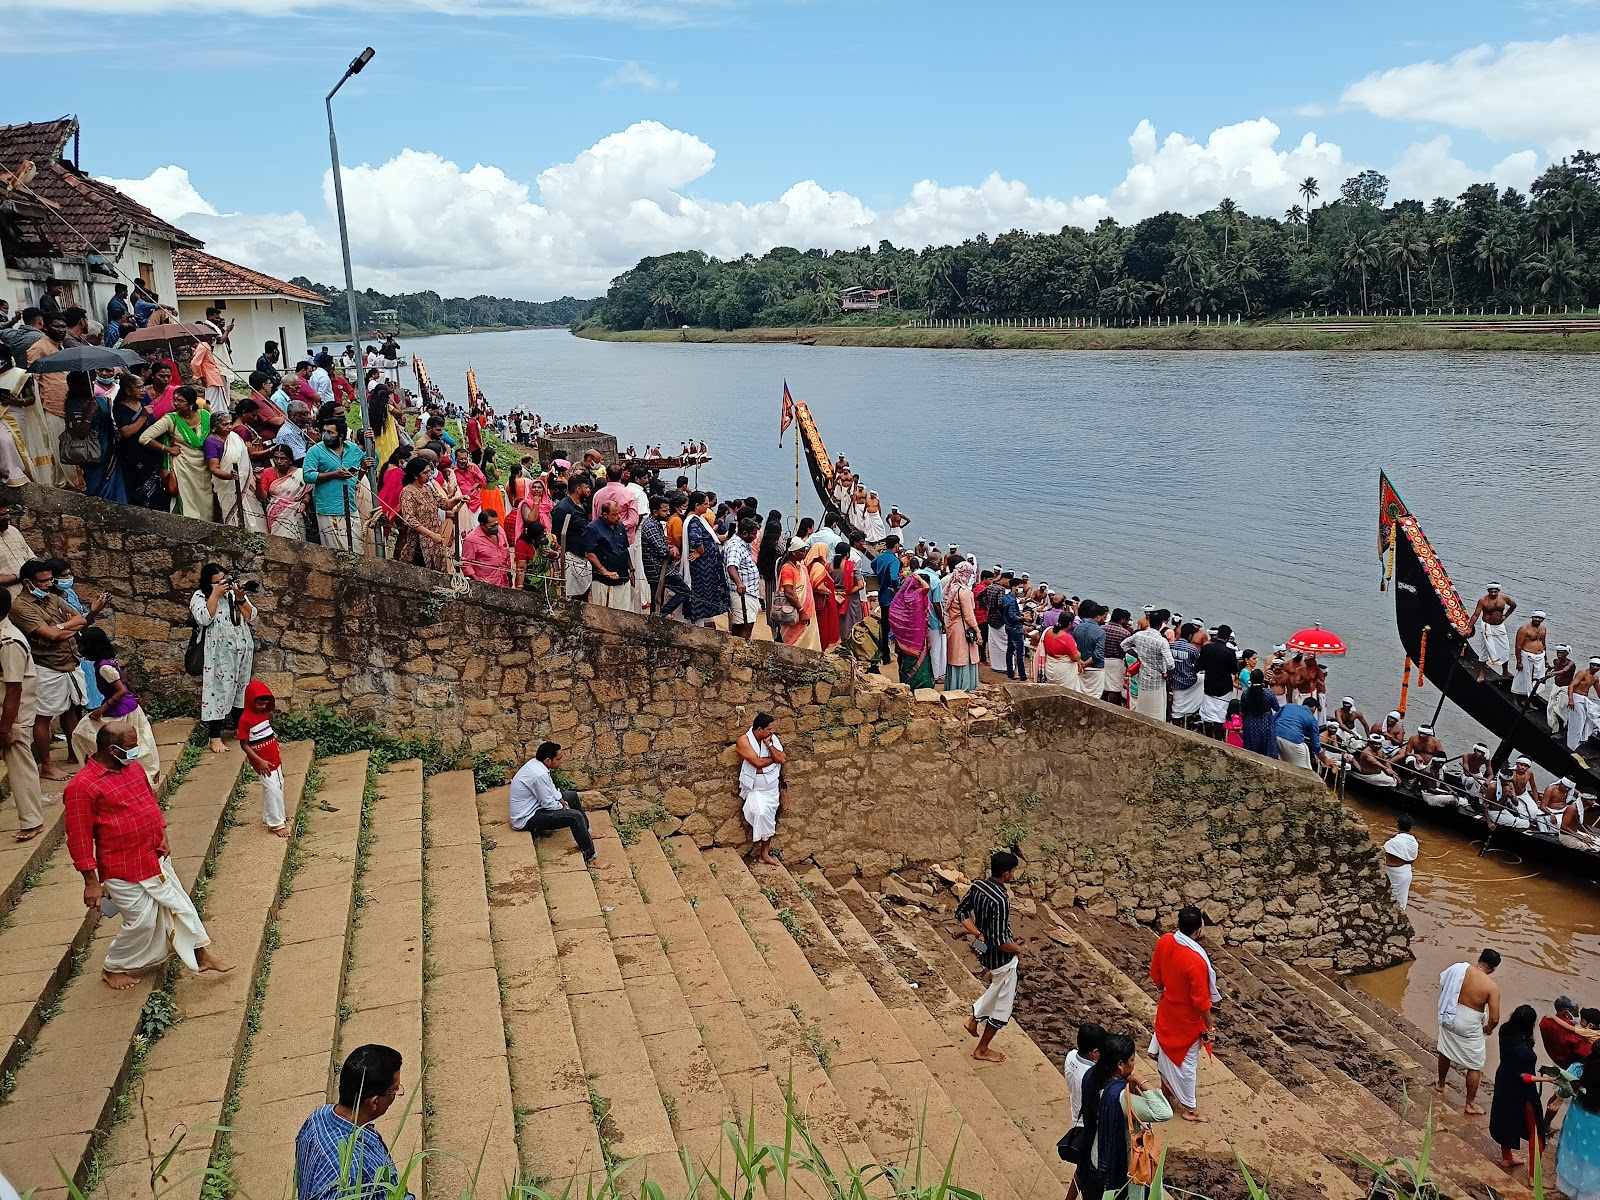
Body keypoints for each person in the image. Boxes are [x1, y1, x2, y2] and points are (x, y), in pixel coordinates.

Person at [67, 721, 232, 989]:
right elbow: (79, 838)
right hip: (121, 867)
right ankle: (114, 966)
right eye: (130, 747)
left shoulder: (133, 769)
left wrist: (162, 834)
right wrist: (91, 881)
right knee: (142, 921)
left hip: (153, 857)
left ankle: (200, 954)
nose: (135, 752)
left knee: (180, 906)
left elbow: (149, 805)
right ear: (112, 749)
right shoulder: (81, 787)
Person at [11, 560, 98, 780]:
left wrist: (59, 629)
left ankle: (76, 755)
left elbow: (80, 619)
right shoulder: (21, 606)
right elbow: (48, 635)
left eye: (50, 579)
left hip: (69, 661)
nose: (49, 584)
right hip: (46, 666)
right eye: (44, 581)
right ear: (28, 583)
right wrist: (64, 628)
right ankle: (47, 765)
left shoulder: (52, 597)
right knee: (44, 716)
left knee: (72, 709)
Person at [294, 1044, 408, 1200]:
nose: (396, 1095)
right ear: (374, 1102)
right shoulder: (356, 1171)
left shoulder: (317, 1118)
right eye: (394, 1091)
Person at [1076, 1034, 1173, 1200]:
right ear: (1120, 1065)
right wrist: (1140, 1081)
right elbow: (1164, 1111)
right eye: (1132, 1060)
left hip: (1095, 1156)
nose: (1134, 1065)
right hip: (1115, 1168)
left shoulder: (1092, 1076)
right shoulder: (1120, 1097)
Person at [1149, 906, 1218, 1123]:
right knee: (1187, 1065)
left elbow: (1156, 973)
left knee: (1168, 1055)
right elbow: (1200, 1001)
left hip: (1168, 1009)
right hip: (1186, 1020)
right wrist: (1210, 1027)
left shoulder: (1165, 941)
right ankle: (1189, 1109)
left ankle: (1168, 1093)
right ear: (1197, 931)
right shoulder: (1195, 961)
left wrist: (1164, 991)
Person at [70, 626, 160, 787]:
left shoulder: (103, 668)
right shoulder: (108, 663)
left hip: (121, 708)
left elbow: (120, 690)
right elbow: (124, 683)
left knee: (83, 732)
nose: (80, 650)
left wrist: (100, 710)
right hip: (128, 706)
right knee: (140, 740)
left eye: (82, 646)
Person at [955, 850, 1022, 1064]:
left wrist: (977, 933)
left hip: (985, 953)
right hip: (1001, 959)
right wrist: (1017, 949)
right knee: (1002, 1007)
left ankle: (973, 1019)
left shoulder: (978, 886)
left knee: (996, 990)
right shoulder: (1001, 899)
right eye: (1012, 871)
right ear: (1005, 874)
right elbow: (1001, 940)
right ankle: (982, 1049)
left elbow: (961, 913)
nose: (1013, 875)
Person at [507, 742, 608, 868]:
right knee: (575, 817)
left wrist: (562, 801)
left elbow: (551, 788)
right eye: (558, 759)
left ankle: (587, 832)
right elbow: (547, 803)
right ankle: (591, 858)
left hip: (535, 806)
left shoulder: (538, 765)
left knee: (572, 796)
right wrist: (563, 808)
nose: (561, 761)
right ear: (548, 760)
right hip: (526, 818)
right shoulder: (539, 774)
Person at [190, 563, 256, 753]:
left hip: (242, 648)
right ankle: (215, 737)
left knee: (241, 689)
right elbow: (204, 618)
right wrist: (215, 595)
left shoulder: (233, 593)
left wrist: (241, 598)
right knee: (218, 691)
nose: (221, 584)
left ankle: (239, 729)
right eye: (216, 582)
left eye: (223, 580)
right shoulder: (200, 596)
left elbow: (251, 616)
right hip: (218, 653)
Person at [0, 589, 44, 842]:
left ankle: (32, 820)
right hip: (6, 710)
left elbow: (14, 688)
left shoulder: (9, 641)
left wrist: (5, 728)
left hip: (13, 714)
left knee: (19, 765)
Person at [1436, 948, 1502, 1116]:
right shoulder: (1491, 987)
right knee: (1474, 1065)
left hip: (1449, 1014)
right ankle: (1470, 1104)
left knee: (1445, 1049)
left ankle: (1441, 1084)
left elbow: (1444, 984)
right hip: (1469, 1024)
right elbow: (1494, 1018)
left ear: (1479, 959)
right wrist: (1488, 1029)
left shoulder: (1458, 968)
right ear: (1493, 968)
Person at [301, 416, 371, 555]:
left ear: (341, 436)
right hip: (328, 508)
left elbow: (370, 459)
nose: (325, 435)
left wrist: (371, 442)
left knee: (356, 548)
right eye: (324, 431)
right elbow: (307, 476)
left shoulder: (352, 448)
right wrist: (334, 475)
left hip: (350, 506)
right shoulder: (315, 451)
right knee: (337, 552)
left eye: (330, 432)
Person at [139, 387, 213, 519]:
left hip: (204, 468)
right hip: (183, 467)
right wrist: (167, 449)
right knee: (187, 504)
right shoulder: (170, 419)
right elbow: (144, 438)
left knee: (206, 503)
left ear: (191, 403)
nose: (176, 403)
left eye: (180, 401)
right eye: (175, 400)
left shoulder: (206, 416)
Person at [1489, 1005, 1544, 1168]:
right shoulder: (1523, 1052)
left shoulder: (1505, 1031)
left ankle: (1507, 1157)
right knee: (1537, 1131)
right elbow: (1523, 1077)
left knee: (1506, 1118)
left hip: (1504, 1080)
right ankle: (1534, 1176)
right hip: (1523, 1091)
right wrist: (1546, 1080)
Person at [237, 680, 289, 838]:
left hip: (273, 757)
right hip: (262, 761)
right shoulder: (245, 719)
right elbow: (244, 744)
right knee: (271, 789)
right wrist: (259, 761)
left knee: (278, 785)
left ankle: (276, 815)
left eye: (264, 704)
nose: (262, 707)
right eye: (259, 704)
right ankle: (276, 823)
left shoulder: (264, 714)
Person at [203, 412, 267, 531]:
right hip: (227, 486)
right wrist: (229, 476)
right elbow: (214, 468)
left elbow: (243, 459)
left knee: (254, 514)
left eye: (230, 423)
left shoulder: (235, 437)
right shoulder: (210, 442)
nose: (229, 427)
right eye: (225, 424)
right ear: (215, 426)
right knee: (234, 518)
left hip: (245, 485)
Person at [736, 713, 786, 865]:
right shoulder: (744, 741)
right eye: (769, 729)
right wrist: (773, 760)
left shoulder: (770, 738)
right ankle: (757, 847)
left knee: (769, 818)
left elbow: (782, 759)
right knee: (759, 812)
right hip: (755, 788)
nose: (772, 732)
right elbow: (757, 763)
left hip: (771, 789)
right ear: (759, 729)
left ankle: (764, 853)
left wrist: (769, 746)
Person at [394, 457, 453, 572]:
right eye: (425, 473)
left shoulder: (426, 488)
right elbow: (410, 519)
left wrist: (459, 499)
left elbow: (444, 503)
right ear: (416, 476)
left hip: (435, 541)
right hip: (420, 542)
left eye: (429, 471)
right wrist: (431, 534)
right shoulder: (407, 492)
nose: (429, 475)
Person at [1556, 1060, 1600, 1200]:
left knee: (1573, 1154)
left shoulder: (1577, 1070)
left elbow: (1563, 1089)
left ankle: (1570, 1190)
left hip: (1576, 1123)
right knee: (1594, 1164)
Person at [583, 500, 635, 610]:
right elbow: (589, 553)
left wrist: (632, 570)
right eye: (615, 514)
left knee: (625, 611)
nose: (619, 517)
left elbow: (624, 549)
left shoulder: (619, 526)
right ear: (605, 515)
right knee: (606, 613)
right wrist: (605, 571)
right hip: (605, 581)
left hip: (623, 577)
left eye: (619, 513)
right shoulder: (593, 528)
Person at [887, 570, 934, 689]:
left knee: (904, 661)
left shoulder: (902, 599)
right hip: (917, 638)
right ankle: (919, 686)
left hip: (903, 639)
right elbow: (927, 587)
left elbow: (893, 615)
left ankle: (905, 684)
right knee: (917, 661)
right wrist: (917, 578)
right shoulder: (919, 595)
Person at [551, 474, 594, 599]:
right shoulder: (562, 509)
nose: (588, 490)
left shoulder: (584, 505)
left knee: (584, 596)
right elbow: (556, 534)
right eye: (586, 487)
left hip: (584, 557)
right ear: (578, 489)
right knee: (573, 597)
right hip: (571, 557)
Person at [1125, 610, 1174, 719]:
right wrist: (1168, 675)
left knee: (1143, 706)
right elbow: (1171, 664)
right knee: (1156, 708)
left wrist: (1137, 656)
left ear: (1149, 621)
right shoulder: (1161, 641)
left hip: (1143, 677)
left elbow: (1124, 645)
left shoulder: (1139, 635)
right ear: (1162, 624)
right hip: (1157, 680)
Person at [943, 561, 981, 694]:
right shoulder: (965, 592)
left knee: (954, 656)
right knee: (964, 657)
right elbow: (969, 616)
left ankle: (952, 685)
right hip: (963, 628)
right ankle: (964, 688)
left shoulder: (951, 588)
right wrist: (978, 631)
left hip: (952, 626)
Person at [776, 537, 820, 650]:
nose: (805, 553)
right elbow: (789, 592)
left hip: (807, 610)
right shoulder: (787, 569)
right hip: (796, 611)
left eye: (805, 550)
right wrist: (801, 611)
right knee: (795, 644)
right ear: (794, 553)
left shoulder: (800, 567)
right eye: (802, 551)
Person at [259, 445, 309, 540]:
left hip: (295, 512)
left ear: (290, 460)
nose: (278, 461)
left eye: (283, 458)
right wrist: (258, 481)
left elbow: (306, 495)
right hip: (275, 513)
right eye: (276, 458)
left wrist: (304, 504)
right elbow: (262, 497)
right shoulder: (267, 472)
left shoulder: (299, 473)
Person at [1469, 583, 1517, 680]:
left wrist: (1505, 616)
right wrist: (1469, 627)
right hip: (1488, 626)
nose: (1493, 593)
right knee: (1485, 649)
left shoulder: (1504, 598)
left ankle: (1505, 671)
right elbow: (1476, 615)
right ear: (1488, 591)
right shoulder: (1483, 600)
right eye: (1491, 591)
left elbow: (1513, 605)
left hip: (1499, 626)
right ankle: (1482, 672)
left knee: (1505, 648)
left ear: (1498, 591)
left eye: (1495, 591)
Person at [724, 517, 762, 638]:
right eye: (753, 534)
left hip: (749, 593)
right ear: (744, 533)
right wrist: (739, 583)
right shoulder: (735, 546)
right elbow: (731, 566)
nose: (755, 537)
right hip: (741, 594)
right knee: (743, 627)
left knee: (746, 625)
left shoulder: (744, 544)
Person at [1541, 997, 1600, 1070]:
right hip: (1570, 1064)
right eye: (1575, 1014)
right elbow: (1585, 1050)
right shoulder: (1570, 1031)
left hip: (1554, 1058)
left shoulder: (1545, 1021)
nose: (1577, 1017)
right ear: (1566, 1013)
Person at [872, 536, 904, 666]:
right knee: (896, 624)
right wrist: (896, 587)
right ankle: (897, 653)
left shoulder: (880, 557)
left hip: (883, 593)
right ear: (896, 546)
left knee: (884, 625)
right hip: (892, 595)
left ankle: (884, 653)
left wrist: (880, 575)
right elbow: (894, 577)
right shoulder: (894, 560)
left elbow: (873, 564)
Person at [461, 510, 513, 587]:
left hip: (504, 583)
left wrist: (509, 577)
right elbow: (466, 564)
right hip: (486, 585)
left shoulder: (501, 531)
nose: (496, 528)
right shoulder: (471, 539)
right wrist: (478, 582)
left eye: (497, 524)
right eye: (492, 526)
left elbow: (507, 556)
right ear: (482, 525)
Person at [1238, 670, 1280, 758]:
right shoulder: (1269, 693)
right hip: (1266, 723)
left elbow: (1243, 710)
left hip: (1250, 723)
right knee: (1267, 748)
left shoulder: (1245, 694)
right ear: (1262, 679)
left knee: (1251, 749)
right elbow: (1276, 708)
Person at [808, 543, 841, 650]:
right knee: (823, 629)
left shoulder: (809, 566)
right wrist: (828, 592)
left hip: (815, 602)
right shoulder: (818, 567)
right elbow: (818, 586)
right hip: (823, 604)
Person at [1383, 814, 1419, 910]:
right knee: (1402, 899)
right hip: (1407, 872)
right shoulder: (1414, 842)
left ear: (1397, 825)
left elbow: (1382, 854)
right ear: (1411, 827)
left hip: (1394, 873)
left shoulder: (1393, 842)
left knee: (1389, 897)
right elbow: (1412, 858)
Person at [1274, 696, 1322, 768]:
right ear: (1313, 708)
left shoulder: (1288, 706)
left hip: (1275, 736)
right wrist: (1322, 755)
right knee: (1305, 769)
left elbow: (1273, 719)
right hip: (1294, 741)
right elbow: (1315, 744)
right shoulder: (1312, 719)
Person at [1038, 612, 1081, 688]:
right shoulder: (1067, 638)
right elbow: (1075, 658)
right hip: (1063, 671)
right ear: (1070, 624)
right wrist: (1079, 653)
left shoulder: (1048, 631)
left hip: (1050, 668)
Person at [1512, 612, 1550, 698]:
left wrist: (1546, 659)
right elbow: (1518, 646)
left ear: (1543, 619)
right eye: (1535, 617)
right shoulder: (1524, 629)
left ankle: (1531, 696)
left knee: (1537, 678)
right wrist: (1519, 661)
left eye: (1540, 618)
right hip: (1527, 656)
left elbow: (1543, 644)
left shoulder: (1543, 629)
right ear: (1532, 617)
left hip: (1540, 657)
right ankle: (1518, 696)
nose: (1537, 619)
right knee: (1524, 677)